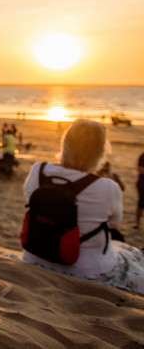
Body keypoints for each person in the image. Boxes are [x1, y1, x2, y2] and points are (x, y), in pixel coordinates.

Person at [21, 120, 144, 295]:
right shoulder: (108, 187)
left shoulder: (38, 171)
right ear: (100, 151)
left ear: (65, 144)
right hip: (88, 271)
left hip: (35, 258)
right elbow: (114, 223)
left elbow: (29, 199)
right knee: (132, 255)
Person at [135, 153, 144, 229]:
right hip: (142, 183)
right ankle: (137, 223)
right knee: (141, 203)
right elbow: (140, 169)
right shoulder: (142, 156)